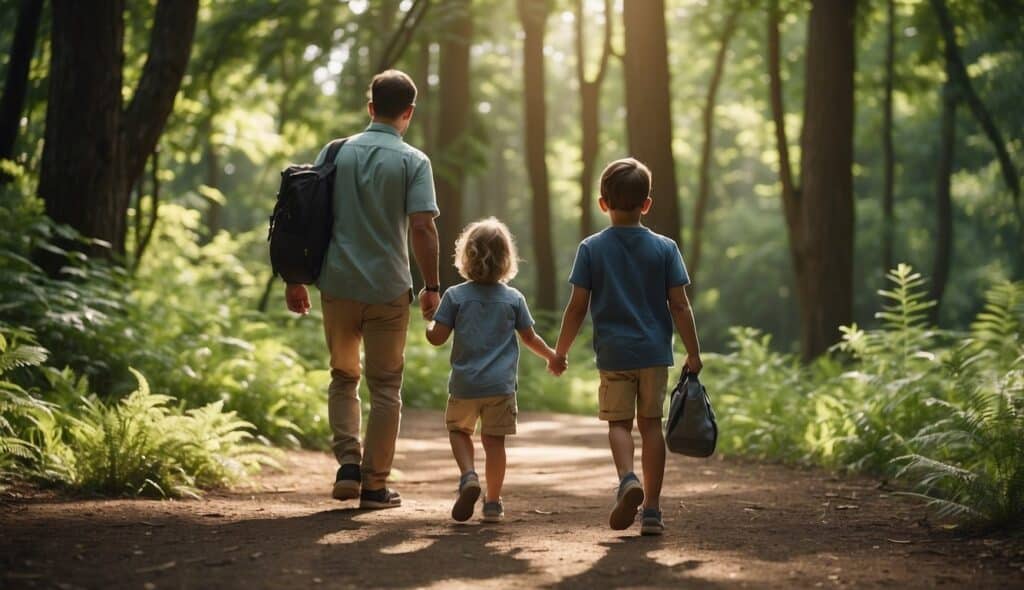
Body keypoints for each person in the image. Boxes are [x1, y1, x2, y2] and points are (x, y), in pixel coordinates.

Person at [285, 70, 441, 510]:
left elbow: (304, 214)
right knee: (386, 386)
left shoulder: (337, 152)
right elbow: (424, 228)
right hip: (389, 289)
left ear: (370, 107)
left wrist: (296, 278)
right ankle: (374, 485)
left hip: (336, 284)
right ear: (408, 112)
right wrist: (432, 286)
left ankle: (348, 465)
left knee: (343, 376)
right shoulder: (414, 161)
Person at [551, 158, 702, 535]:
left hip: (614, 354)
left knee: (618, 424)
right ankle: (651, 510)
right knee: (650, 425)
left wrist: (561, 351)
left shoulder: (591, 248)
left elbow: (576, 307)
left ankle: (626, 479)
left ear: (603, 203)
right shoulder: (665, 248)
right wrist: (694, 352)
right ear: (646, 204)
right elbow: (680, 305)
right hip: (654, 354)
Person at [425, 218, 562, 523]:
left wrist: (429, 321)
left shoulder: (455, 296)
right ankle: (493, 502)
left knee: (459, 431)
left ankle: (468, 476)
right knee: (494, 443)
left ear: (466, 256)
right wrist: (552, 356)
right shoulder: (513, 299)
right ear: (506, 259)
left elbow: (436, 338)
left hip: (464, 385)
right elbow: (530, 338)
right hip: (500, 388)